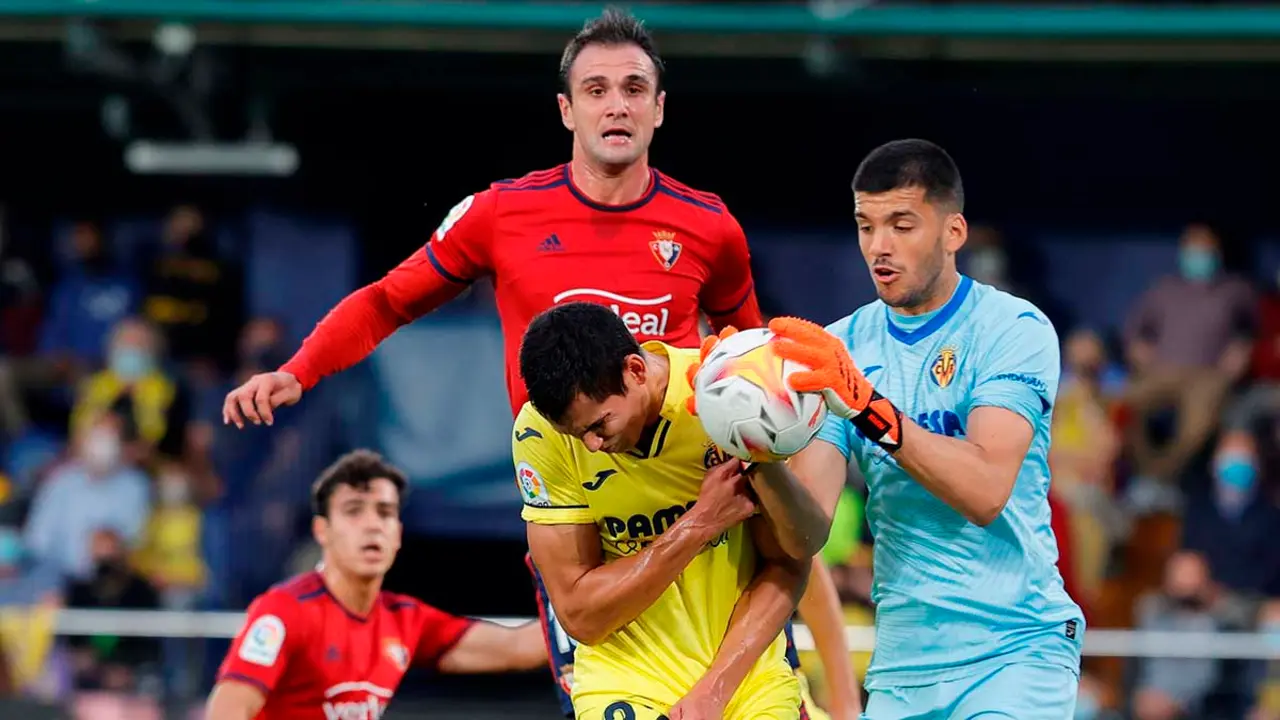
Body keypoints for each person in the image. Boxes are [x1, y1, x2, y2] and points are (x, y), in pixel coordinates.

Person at [219, 7, 861, 719]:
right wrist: (298, 371)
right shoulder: (501, 214)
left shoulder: (707, 225)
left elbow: (754, 364)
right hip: (575, 495)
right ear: (565, 109)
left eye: (633, 88)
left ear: (659, 108)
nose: (615, 104)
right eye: (595, 89)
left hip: (695, 493)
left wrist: (796, 433)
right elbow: (388, 301)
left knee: (775, 606)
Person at [693, 139, 1085, 718]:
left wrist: (866, 406)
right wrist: (754, 437)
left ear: (954, 232)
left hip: (1017, 651)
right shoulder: (840, 346)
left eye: (902, 225)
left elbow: (983, 492)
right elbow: (806, 534)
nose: (880, 247)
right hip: (904, 666)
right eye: (866, 225)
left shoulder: (1015, 329)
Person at [515, 302, 807, 720]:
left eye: (599, 426)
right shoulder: (539, 433)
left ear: (635, 371)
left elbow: (793, 558)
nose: (592, 447)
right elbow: (581, 615)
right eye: (576, 435)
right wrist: (698, 523)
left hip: (748, 679)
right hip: (624, 679)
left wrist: (714, 692)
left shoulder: (725, 394)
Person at [205, 450, 547, 719]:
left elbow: (514, 647)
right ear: (322, 531)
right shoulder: (284, 611)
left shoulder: (405, 620)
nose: (372, 525)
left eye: (384, 512)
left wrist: (590, 618)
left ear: (398, 533)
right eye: (354, 511)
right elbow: (228, 710)